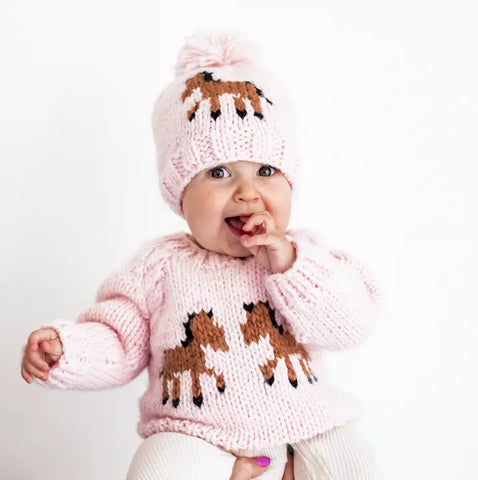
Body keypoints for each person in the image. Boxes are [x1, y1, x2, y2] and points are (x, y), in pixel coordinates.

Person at [21, 31, 383, 479]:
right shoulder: (159, 266)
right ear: (180, 192)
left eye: (266, 170)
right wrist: (68, 350)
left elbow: (352, 322)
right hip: (194, 433)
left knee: (355, 464)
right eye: (219, 172)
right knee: (157, 471)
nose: (247, 192)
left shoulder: (305, 256)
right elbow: (118, 339)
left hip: (308, 427)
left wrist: (291, 264)